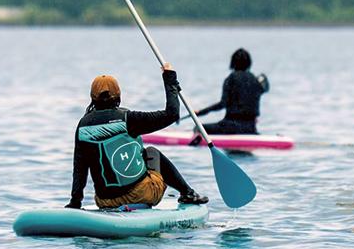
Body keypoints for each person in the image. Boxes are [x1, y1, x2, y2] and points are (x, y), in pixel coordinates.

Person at [66, 64, 208, 209]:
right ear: (118, 95)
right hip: (141, 194)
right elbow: (172, 114)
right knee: (151, 152)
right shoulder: (129, 119)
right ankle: (188, 193)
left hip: (105, 201)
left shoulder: (83, 126)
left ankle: (184, 192)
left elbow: (80, 169)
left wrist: (75, 203)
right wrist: (170, 78)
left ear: (93, 96)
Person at [195, 48, 268, 135]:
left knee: (198, 128)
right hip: (250, 128)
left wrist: (201, 112)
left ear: (233, 63)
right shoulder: (255, 80)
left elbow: (222, 104)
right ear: (249, 63)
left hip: (230, 127)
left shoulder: (230, 79)